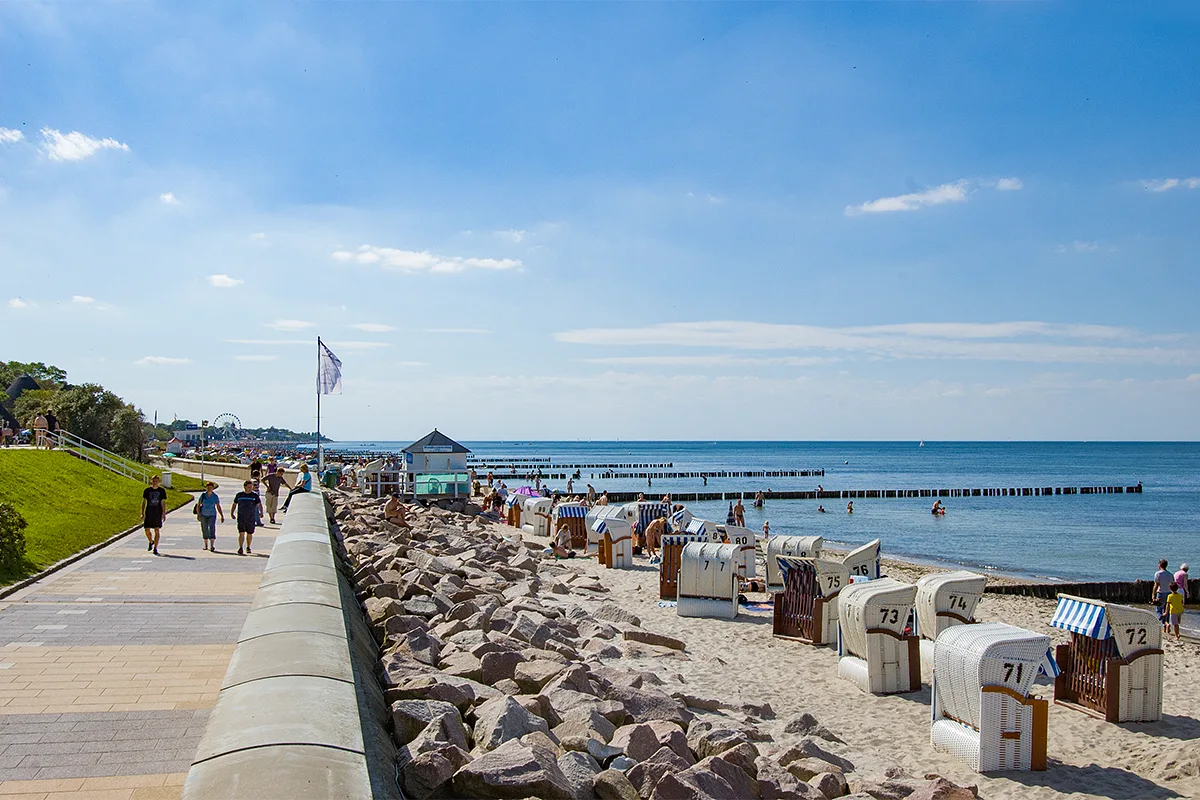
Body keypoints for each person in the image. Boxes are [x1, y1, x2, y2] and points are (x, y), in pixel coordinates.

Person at [231, 480, 262, 555]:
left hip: (251, 517)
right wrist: (232, 513)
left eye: (251, 487)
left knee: (249, 533)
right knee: (241, 532)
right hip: (241, 517)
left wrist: (261, 512)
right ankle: (240, 547)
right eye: (249, 487)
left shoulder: (254, 496)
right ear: (245, 487)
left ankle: (248, 546)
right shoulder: (239, 495)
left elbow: (259, 504)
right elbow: (234, 504)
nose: (250, 488)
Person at [141, 475, 168, 555]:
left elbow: (163, 502)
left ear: (158, 482)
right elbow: (144, 502)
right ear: (151, 481)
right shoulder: (147, 491)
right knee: (147, 530)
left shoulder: (161, 491)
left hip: (157, 512)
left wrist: (163, 513)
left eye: (156, 481)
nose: (155, 482)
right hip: (149, 512)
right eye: (153, 481)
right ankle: (151, 541)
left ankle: (155, 548)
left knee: (157, 529)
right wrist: (142, 513)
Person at [197, 481, 224, 552]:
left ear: (213, 488)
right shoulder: (203, 495)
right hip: (203, 514)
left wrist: (222, 515)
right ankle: (206, 545)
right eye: (208, 488)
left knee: (212, 528)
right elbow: (198, 504)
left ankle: (212, 545)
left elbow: (218, 506)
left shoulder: (215, 496)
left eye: (211, 488)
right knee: (204, 528)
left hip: (212, 514)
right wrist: (198, 514)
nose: (209, 489)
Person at [1153, 559, 1173, 629]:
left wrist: (1153, 595)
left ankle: (1164, 622)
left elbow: (1156, 585)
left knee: (1158, 610)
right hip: (1169, 593)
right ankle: (1166, 625)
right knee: (1167, 610)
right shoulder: (1170, 574)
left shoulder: (1158, 574)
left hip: (1161, 593)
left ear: (1160, 565)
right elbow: (1172, 584)